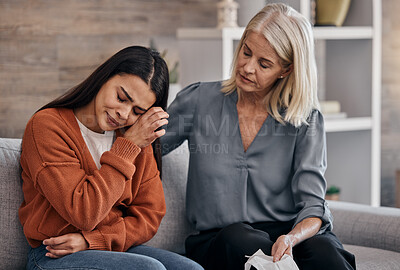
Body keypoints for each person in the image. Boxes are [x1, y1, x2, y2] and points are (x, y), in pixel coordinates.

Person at [162, 3, 356, 270]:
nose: (247, 67)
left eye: (264, 64)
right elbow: (148, 146)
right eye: (246, 52)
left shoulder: (305, 119)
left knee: (326, 253)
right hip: (220, 239)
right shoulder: (199, 101)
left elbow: (313, 205)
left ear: (286, 70)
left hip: (286, 234)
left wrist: (291, 237)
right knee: (241, 242)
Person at [19, 46, 203, 270]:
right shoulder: (47, 126)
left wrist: (92, 241)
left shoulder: (134, 136)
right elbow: (84, 213)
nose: (124, 114)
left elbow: (149, 214)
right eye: (121, 98)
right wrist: (128, 147)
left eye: (138, 112)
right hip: (52, 256)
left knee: (191, 269)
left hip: (110, 248)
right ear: (104, 77)